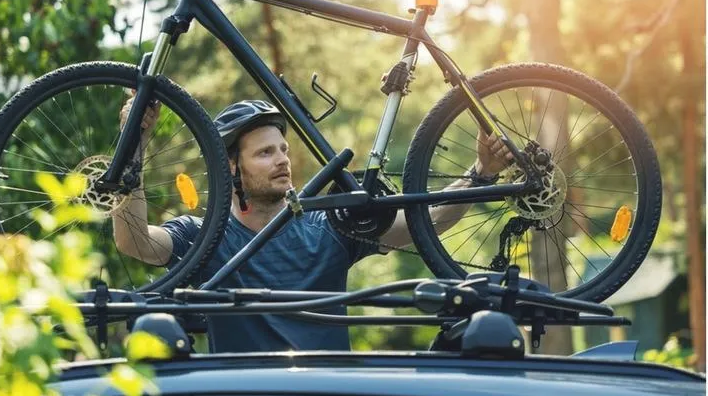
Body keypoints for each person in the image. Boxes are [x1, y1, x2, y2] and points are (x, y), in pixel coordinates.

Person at [112, 99, 512, 352]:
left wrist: (482, 172)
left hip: (326, 393)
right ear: (230, 167)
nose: (283, 160)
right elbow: (135, 241)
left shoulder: (329, 226)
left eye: (284, 150)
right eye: (265, 153)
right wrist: (134, 143)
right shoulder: (204, 236)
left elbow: (426, 222)